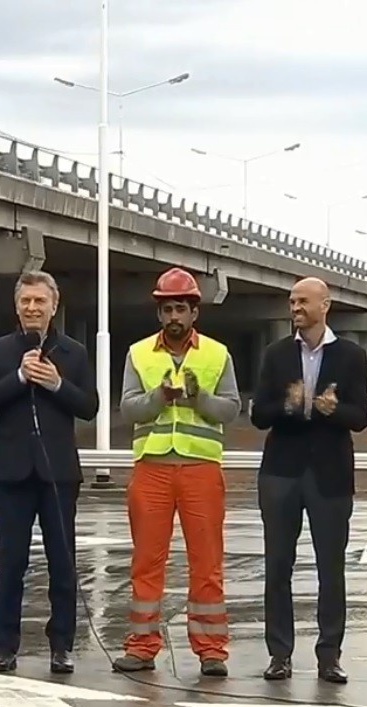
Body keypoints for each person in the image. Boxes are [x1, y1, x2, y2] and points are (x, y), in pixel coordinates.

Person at [113, 267, 241, 677]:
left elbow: (232, 409)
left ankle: (211, 650)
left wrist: (198, 397)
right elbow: (128, 408)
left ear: (193, 313)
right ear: (159, 313)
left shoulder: (217, 354)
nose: (174, 316)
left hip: (201, 467)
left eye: (180, 309)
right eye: (167, 308)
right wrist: (159, 397)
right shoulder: (137, 353)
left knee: (207, 562)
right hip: (152, 467)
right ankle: (141, 646)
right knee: (147, 561)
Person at [0, 270, 98, 675]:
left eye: (39, 302)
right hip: (11, 473)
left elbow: (89, 406)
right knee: (11, 562)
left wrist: (58, 384)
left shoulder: (73, 353)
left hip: (58, 473)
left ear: (53, 306)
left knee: (63, 562)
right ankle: (5, 645)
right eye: (25, 301)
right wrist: (20, 378)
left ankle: (62, 644)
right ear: (16, 306)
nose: (32, 309)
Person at [251, 276, 367, 683]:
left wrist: (329, 409)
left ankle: (329, 655)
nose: (295, 308)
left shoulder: (351, 356)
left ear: (325, 305)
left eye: (303, 301)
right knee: (277, 564)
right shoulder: (276, 353)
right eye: (291, 302)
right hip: (281, 471)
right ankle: (279, 654)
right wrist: (290, 404)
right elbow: (258, 414)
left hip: (330, 474)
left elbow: (361, 417)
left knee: (330, 567)